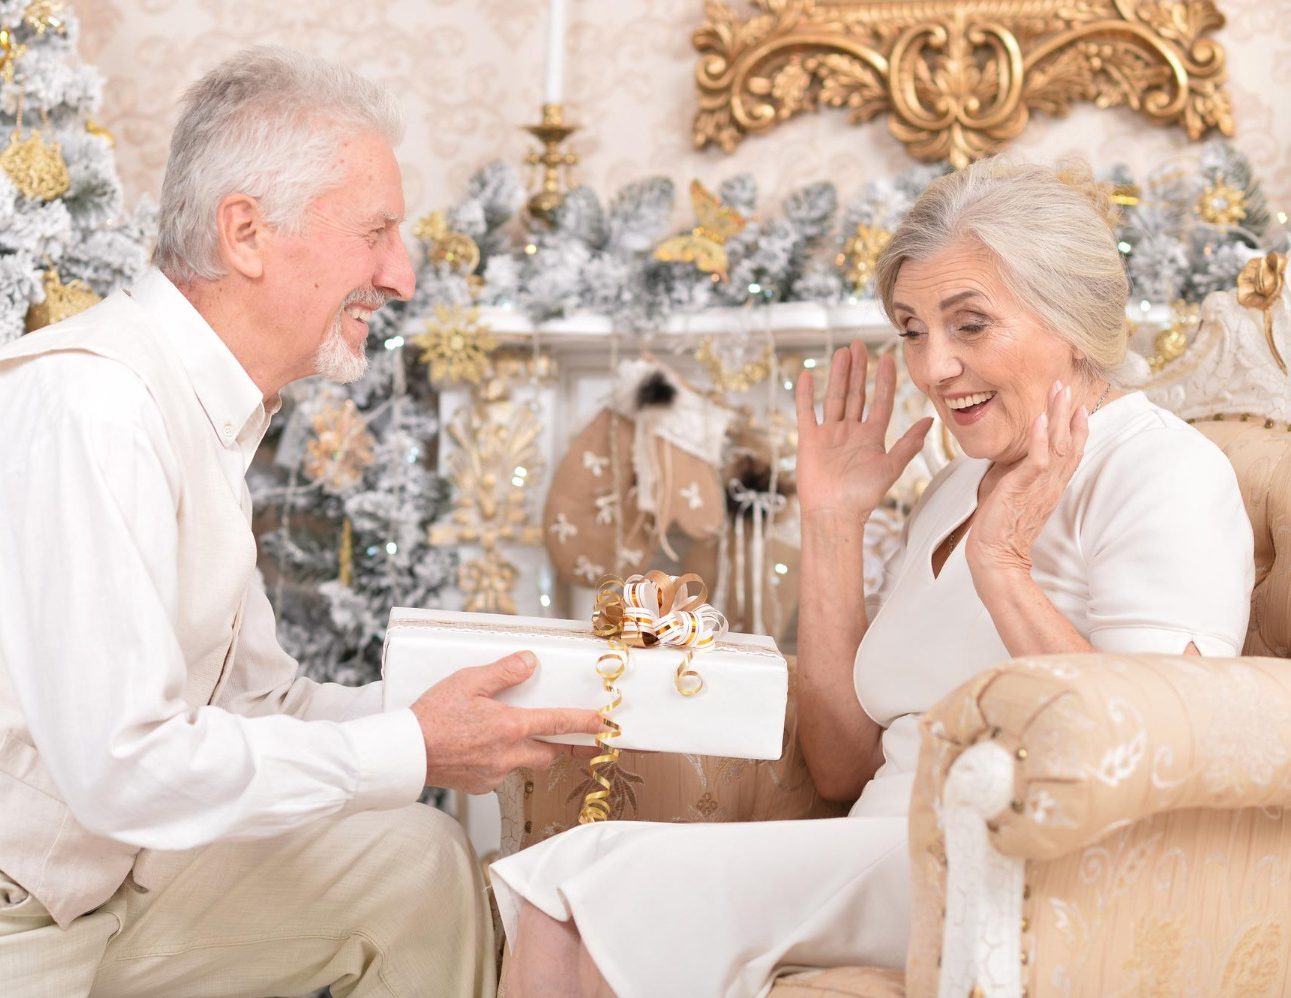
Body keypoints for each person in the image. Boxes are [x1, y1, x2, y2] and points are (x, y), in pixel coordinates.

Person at [0, 48, 603, 998]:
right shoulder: (88, 403)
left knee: (409, 862)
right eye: (376, 231)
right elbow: (126, 765)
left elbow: (261, 707)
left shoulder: (200, 412)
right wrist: (416, 747)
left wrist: (485, 715)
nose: (403, 276)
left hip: (89, 891)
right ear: (247, 233)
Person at [492, 159, 1256, 998]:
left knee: (585, 885)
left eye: (969, 326)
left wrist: (1000, 567)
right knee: (559, 889)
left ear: (1072, 320)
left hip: (1024, 872)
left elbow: (1155, 762)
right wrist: (832, 523)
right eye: (913, 330)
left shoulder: (1164, 472)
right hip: (884, 850)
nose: (934, 369)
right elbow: (843, 771)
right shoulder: (954, 484)